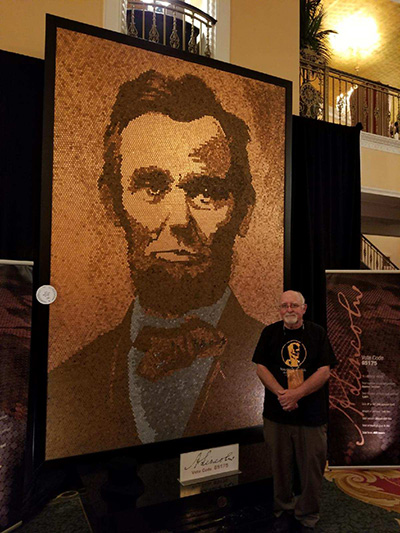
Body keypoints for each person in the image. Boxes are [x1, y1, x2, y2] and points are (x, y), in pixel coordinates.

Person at [47, 70, 267, 458]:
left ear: (244, 212)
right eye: (152, 187)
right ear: (112, 201)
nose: (179, 219)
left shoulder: (280, 360)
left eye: (205, 191)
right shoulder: (67, 383)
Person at [252, 290, 337, 533]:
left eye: (294, 305)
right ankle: (283, 509)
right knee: (279, 467)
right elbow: (261, 368)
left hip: (311, 417)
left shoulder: (317, 333)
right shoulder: (269, 333)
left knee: (312, 470)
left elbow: (324, 371)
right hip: (277, 415)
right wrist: (283, 394)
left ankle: (308, 515)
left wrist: (296, 394)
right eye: (284, 305)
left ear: (304, 309)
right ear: (279, 310)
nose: (289, 309)